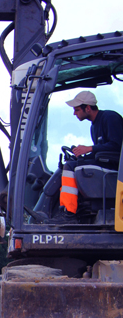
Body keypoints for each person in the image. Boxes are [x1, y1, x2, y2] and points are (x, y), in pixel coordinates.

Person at [53, 90, 123, 224]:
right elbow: (100, 152)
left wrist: (90, 148)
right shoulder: (94, 126)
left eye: (77, 110)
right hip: (105, 162)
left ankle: (69, 213)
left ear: (88, 108)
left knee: (70, 167)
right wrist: (82, 155)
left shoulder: (110, 118)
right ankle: (73, 208)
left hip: (116, 167)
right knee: (73, 163)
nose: (74, 113)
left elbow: (117, 146)